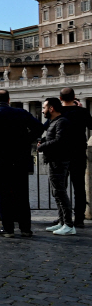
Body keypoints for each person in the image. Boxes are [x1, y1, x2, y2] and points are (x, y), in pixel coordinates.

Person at [0, 90, 43, 238]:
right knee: (22, 195)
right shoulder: (21, 113)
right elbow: (39, 127)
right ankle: (25, 229)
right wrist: (26, 139)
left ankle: (8, 229)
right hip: (20, 159)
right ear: (9, 100)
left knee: (2, 195)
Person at [38, 98, 76, 235]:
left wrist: (42, 146)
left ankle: (69, 225)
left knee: (60, 193)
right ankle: (62, 222)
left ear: (51, 108)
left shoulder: (62, 122)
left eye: (44, 107)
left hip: (59, 161)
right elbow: (53, 138)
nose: (42, 110)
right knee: (57, 193)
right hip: (55, 160)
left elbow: (60, 141)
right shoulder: (55, 122)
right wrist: (43, 141)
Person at [58, 88, 92, 228]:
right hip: (78, 153)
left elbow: (47, 127)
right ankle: (79, 219)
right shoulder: (82, 112)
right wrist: (80, 109)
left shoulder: (58, 113)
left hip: (61, 154)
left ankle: (63, 218)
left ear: (60, 98)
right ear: (75, 97)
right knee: (79, 188)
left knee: (61, 188)